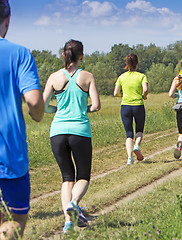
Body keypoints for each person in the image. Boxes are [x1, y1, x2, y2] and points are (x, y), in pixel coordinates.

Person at [43, 39, 101, 232]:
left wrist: (55, 110)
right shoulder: (88, 76)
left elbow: (43, 105)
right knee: (83, 176)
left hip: (57, 132)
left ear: (63, 55)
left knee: (67, 177)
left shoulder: (53, 77)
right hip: (80, 131)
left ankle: (68, 223)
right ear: (81, 56)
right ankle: (74, 203)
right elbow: (96, 105)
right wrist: (85, 110)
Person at [0, 1, 44, 239]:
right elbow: (35, 102)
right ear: (8, 20)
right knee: (14, 220)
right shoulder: (19, 53)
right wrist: (36, 115)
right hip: (9, 156)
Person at [114, 54, 148, 165]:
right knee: (139, 130)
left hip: (125, 106)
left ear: (127, 64)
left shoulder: (121, 77)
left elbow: (115, 93)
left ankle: (129, 158)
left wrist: (122, 96)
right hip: (138, 105)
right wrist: (143, 95)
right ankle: (137, 145)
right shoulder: (141, 76)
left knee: (129, 134)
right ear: (137, 64)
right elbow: (146, 89)